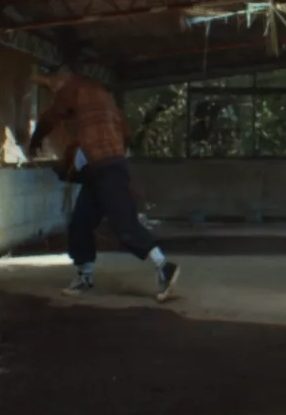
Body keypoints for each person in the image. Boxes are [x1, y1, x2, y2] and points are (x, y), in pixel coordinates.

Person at [30, 65, 180, 302]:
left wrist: (35, 140)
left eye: (52, 87)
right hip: (100, 169)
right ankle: (84, 277)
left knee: (124, 225)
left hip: (107, 168)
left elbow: (51, 116)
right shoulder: (103, 96)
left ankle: (164, 266)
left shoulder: (72, 89)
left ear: (60, 81)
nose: (53, 93)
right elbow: (126, 131)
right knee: (80, 223)